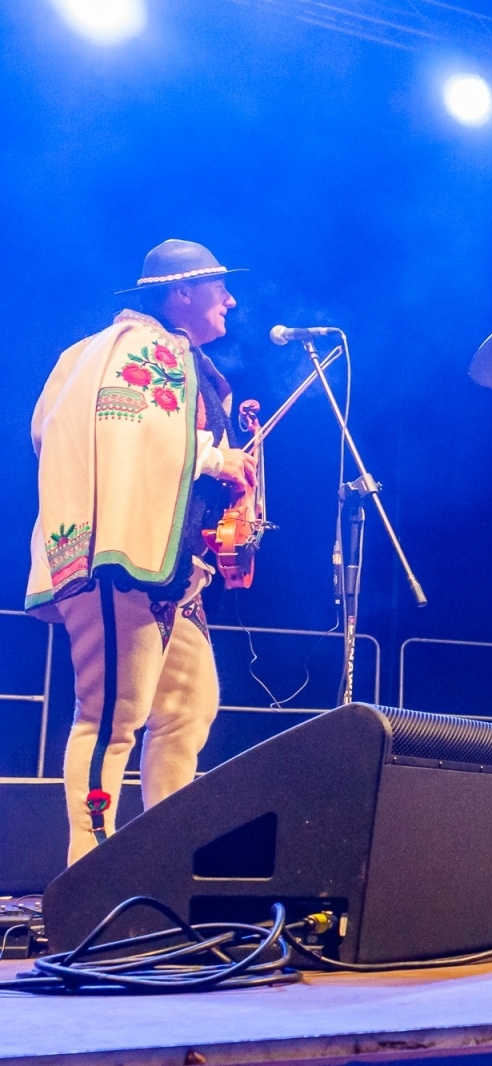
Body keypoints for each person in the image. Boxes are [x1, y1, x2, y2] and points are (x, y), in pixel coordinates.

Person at [27, 239, 256, 864]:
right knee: (109, 715)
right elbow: (134, 434)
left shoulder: (145, 354)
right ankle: (89, 869)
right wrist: (216, 457)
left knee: (187, 703)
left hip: (168, 569)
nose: (230, 300)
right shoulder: (139, 350)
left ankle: (164, 860)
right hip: (119, 557)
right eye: (218, 288)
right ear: (182, 293)